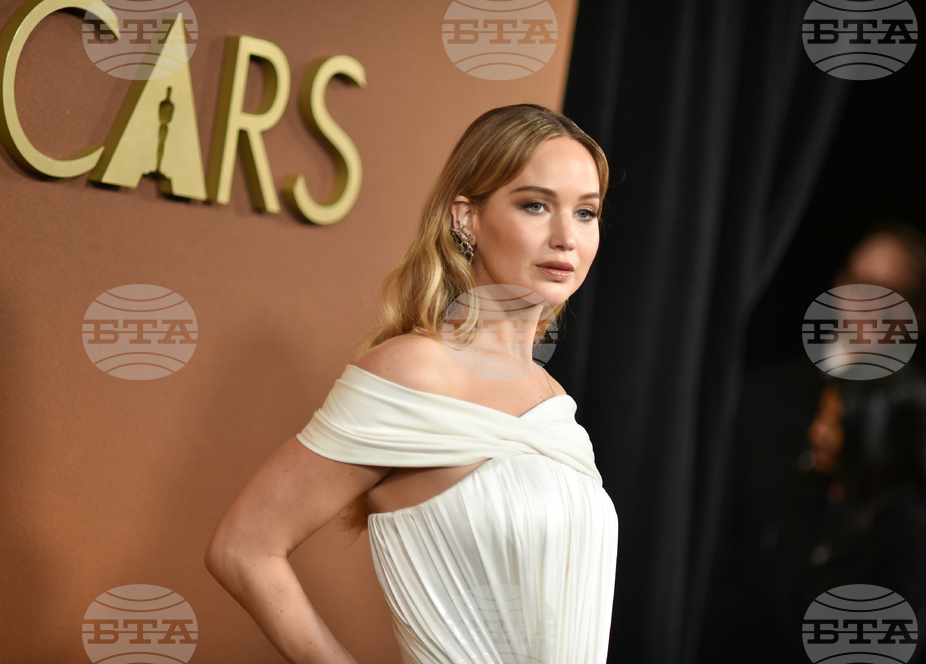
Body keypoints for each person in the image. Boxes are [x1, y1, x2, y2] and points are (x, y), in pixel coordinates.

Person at [204, 104, 618, 664]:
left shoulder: (555, 405)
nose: (566, 237)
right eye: (536, 205)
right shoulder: (416, 370)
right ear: (466, 218)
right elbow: (243, 548)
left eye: (586, 212)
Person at [723, 367, 926, 663]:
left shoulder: (910, 536)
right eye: (820, 415)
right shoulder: (809, 491)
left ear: (878, 435)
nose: (817, 432)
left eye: (835, 423)